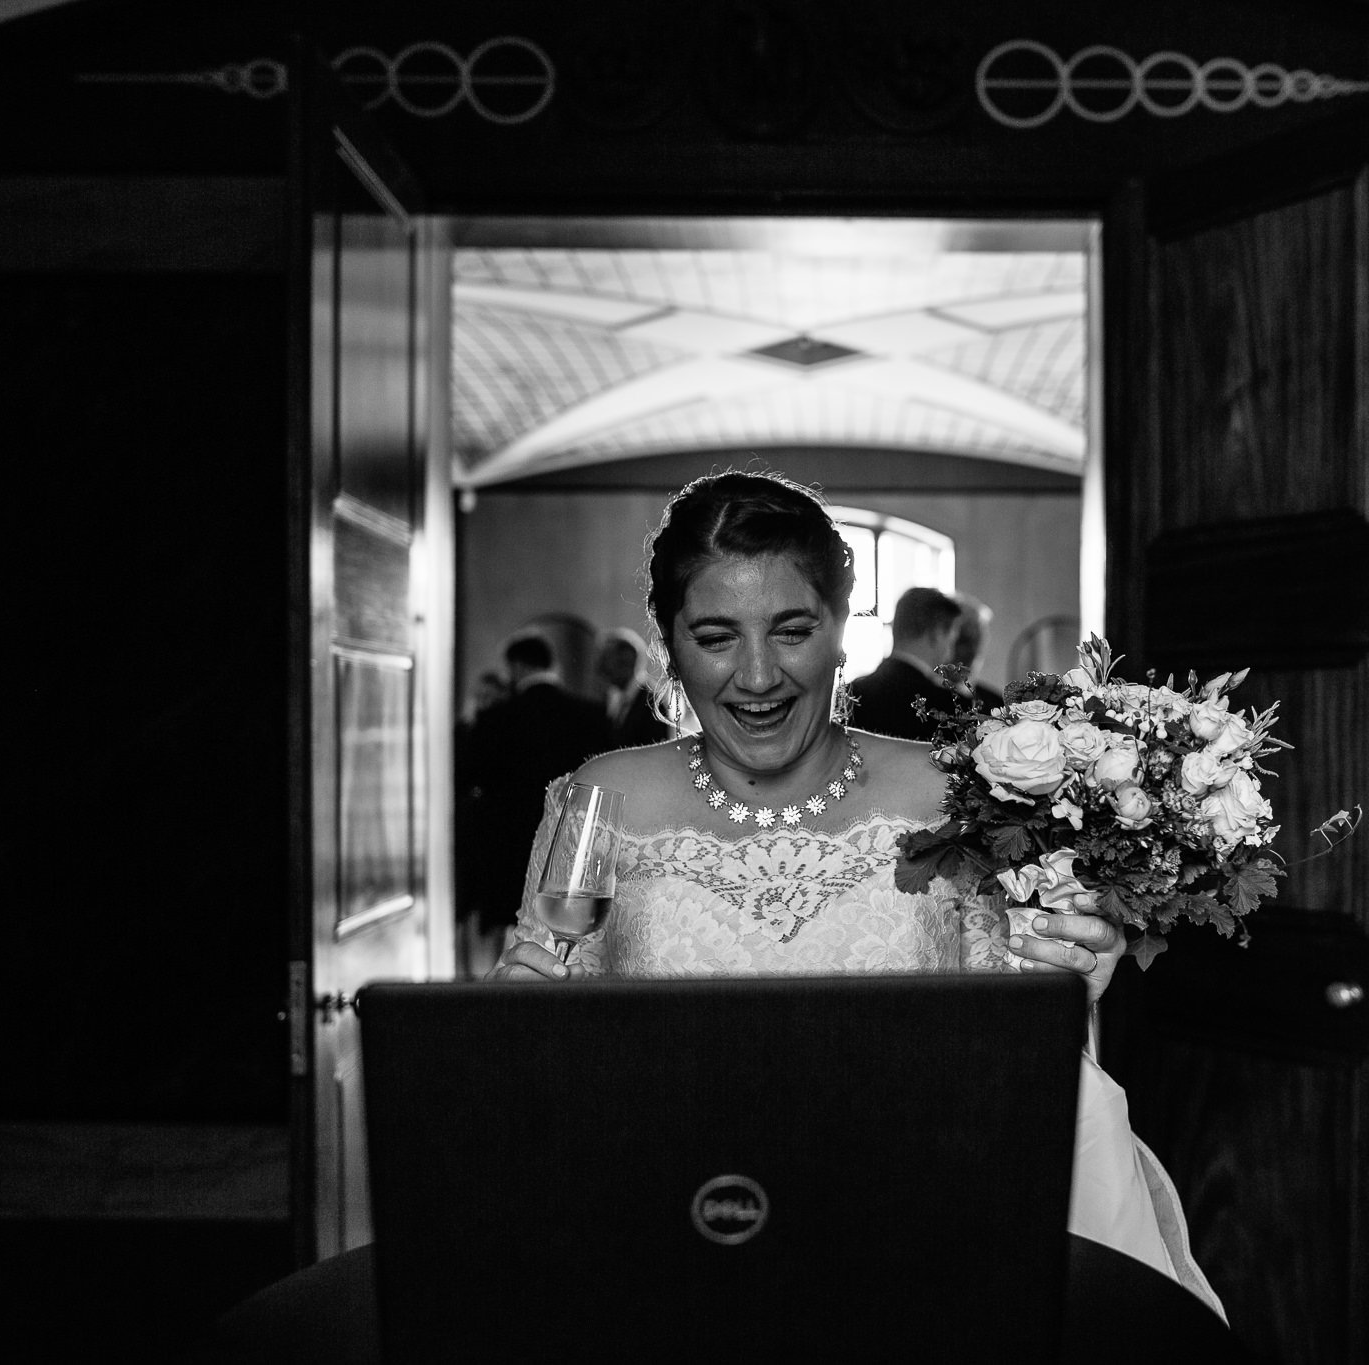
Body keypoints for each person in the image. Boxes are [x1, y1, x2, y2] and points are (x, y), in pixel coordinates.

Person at [489, 471, 1222, 1316]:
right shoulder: (600, 800)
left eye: (793, 629)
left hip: (918, 1247)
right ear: (671, 641)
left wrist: (1068, 981)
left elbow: (1016, 1045)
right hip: (672, 1241)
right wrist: (514, 1022)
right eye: (717, 636)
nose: (757, 675)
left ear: (843, 630)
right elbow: (540, 1017)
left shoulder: (956, 797)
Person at [458, 633, 612, 976]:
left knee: (510, 940)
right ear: (550, 664)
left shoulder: (497, 717)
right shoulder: (590, 714)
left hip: (506, 847)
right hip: (575, 856)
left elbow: (468, 778)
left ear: (516, 666)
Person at [846, 585, 966, 739]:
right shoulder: (947, 706)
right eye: (952, 638)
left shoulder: (850, 694)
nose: (952, 649)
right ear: (937, 634)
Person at [593, 625, 671, 751]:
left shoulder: (653, 703)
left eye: (606, 659)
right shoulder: (613, 697)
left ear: (626, 661)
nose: (601, 668)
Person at [953, 591, 1006, 711]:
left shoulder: (996, 705)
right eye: (963, 640)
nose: (970, 651)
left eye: (975, 641)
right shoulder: (920, 701)